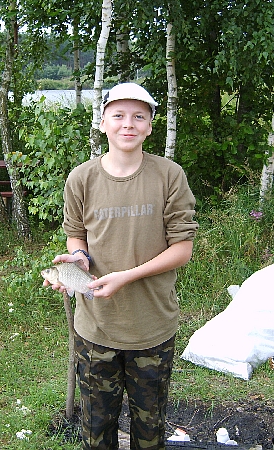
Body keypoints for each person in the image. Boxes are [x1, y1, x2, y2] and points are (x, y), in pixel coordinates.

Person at [44, 82, 198, 450]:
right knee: (96, 432)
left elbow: (182, 249)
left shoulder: (169, 175)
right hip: (96, 329)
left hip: (152, 327)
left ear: (150, 126)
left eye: (138, 116)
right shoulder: (81, 178)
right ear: (102, 123)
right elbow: (76, 236)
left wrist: (126, 277)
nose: (128, 124)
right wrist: (79, 260)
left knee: (150, 433)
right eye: (118, 115)